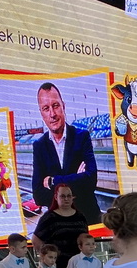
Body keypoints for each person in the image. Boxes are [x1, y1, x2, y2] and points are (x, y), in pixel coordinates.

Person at [31, 82, 100, 226]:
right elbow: (38, 195)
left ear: (63, 106)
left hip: (88, 220)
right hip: (60, 226)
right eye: (46, 108)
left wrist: (53, 182)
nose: (52, 114)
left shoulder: (82, 137)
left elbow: (91, 181)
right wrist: (77, 180)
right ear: (41, 113)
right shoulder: (39, 146)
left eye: (55, 106)